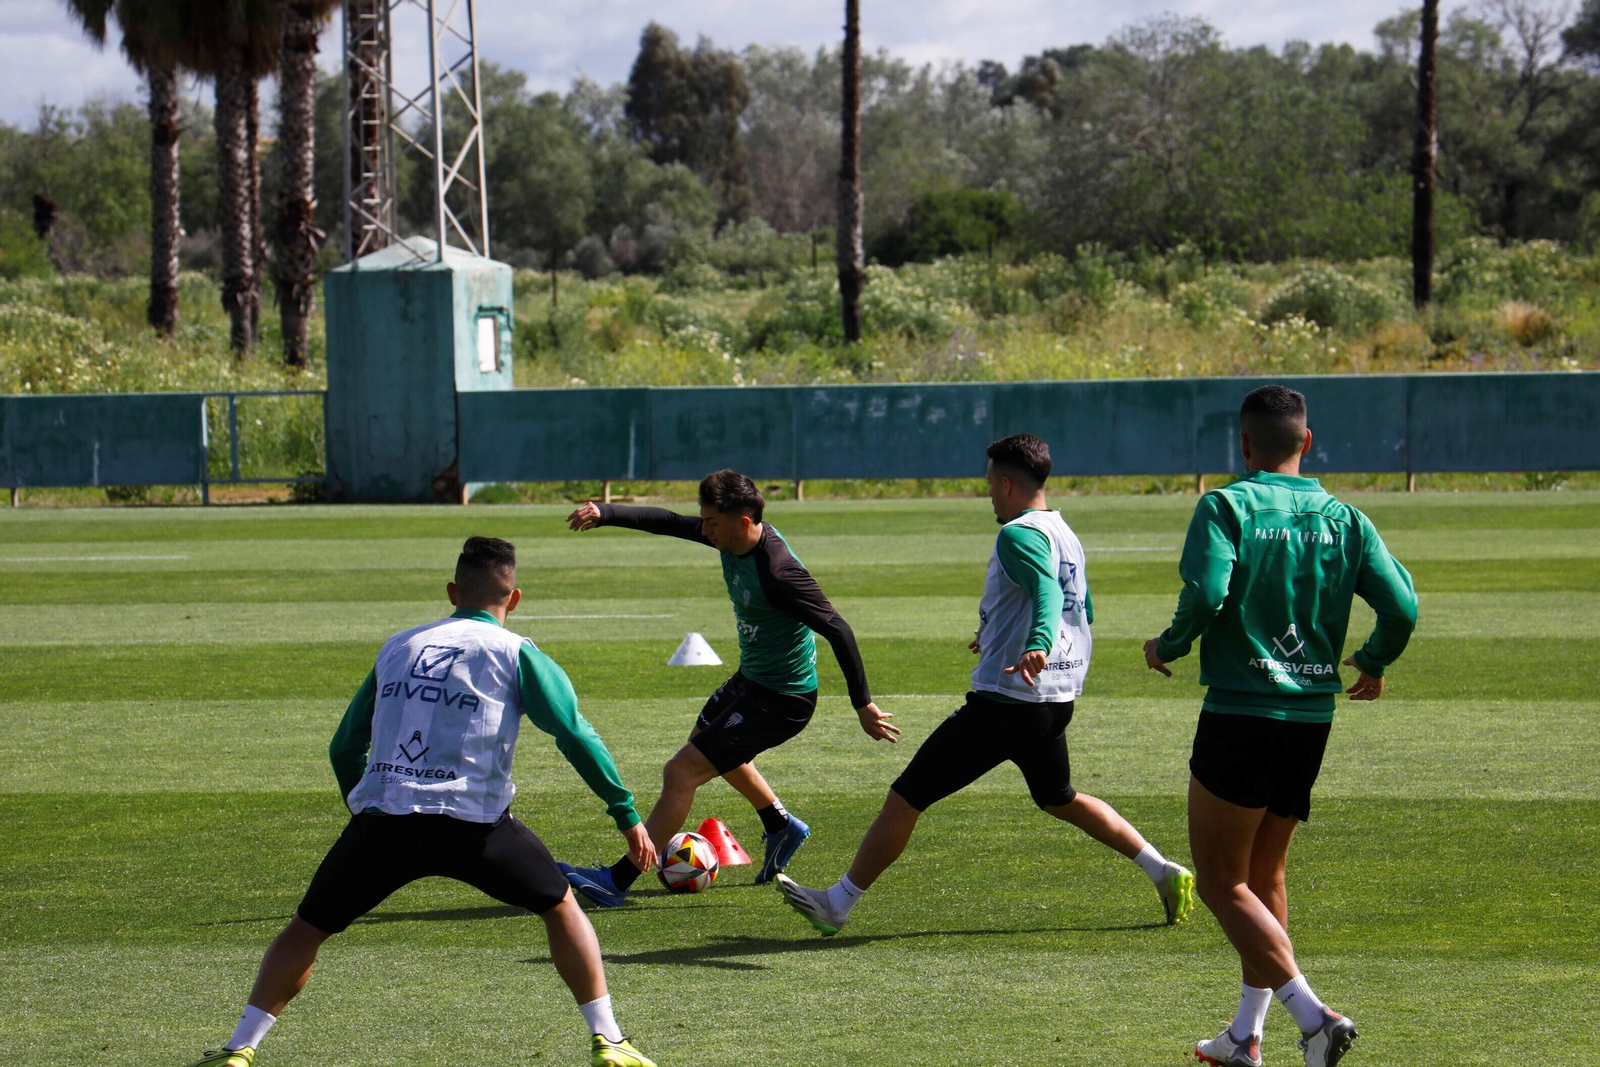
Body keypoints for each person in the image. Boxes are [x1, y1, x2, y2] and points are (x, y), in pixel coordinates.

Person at [185, 537, 659, 1067]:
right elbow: (574, 734)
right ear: (514, 598)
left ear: (453, 592)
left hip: (385, 822)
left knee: (308, 927)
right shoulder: (516, 652)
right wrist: (625, 814)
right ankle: (608, 1039)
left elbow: (344, 747)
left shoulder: (399, 646)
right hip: (476, 827)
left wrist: (365, 811)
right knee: (560, 906)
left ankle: (240, 1048)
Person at [775, 433, 1195, 936]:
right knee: (1059, 798)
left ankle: (838, 903)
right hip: (1053, 698)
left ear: (1009, 484)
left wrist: (1035, 643)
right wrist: (998, 633)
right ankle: (1162, 869)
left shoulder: (1017, 534)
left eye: (992, 484)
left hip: (1007, 703)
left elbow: (1045, 594)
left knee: (906, 798)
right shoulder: (1063, 530)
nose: (989, 494)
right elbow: (1080, 607)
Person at [1142, 385, 1417, 1067]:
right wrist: (1374, 659)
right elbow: (1402, 607)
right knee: (1265, 875)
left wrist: (1168, 644)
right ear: (1307, 441)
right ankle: (1245, 1035)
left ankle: (1313, 1016)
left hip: (1241, 713)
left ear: (1243, 443)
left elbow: (1207, 593)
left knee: (1218, 881)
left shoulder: (1226, 505)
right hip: (1311, 720)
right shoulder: (1346, 518)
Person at [556, 470, 899, 907]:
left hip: (782, 699)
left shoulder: (779, 572)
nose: (703, 530)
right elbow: (669, 522)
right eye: (704, 520)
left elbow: (838, 629)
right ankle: (780, 825)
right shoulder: (729, 537)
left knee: (681, 771)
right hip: (751, 680)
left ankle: (617, 881)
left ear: (744, 520)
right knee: (705, 746)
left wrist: (863, 704)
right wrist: (606, 513)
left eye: (711, 522)